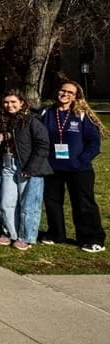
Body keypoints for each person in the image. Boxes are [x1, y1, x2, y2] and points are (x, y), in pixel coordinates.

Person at [40, 80, 106, 252]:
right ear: (57, 92)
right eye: (63, 90)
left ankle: (92, 238)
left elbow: (94, 142)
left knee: (83, 203)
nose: (65, 94)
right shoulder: (46, 112)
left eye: (70, 92)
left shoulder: (82, 114)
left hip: (78, 168)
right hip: (52, 167)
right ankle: (56, 233)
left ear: (76, 96)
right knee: (52, 201)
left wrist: (82, 161)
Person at [0, 91, 51, 250]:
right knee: (6, 202)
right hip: (7, 163)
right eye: (6, 102)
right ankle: (9, 232)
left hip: (27, 166)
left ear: (22, 103)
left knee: (29, 204)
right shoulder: (1, 120)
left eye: (13, 102)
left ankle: (26, 236)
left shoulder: (32, 120)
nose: (9, 105)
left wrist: (31, 167)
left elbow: (43, 145)